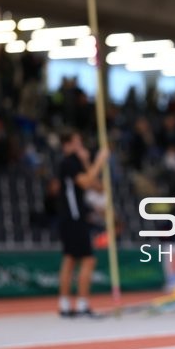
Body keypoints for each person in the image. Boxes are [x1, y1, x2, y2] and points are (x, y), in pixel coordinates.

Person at [57, 130, 109, 318]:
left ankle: (66, 304)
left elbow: (98, 186)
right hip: (73, 217)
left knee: (70, 260)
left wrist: (88, 162)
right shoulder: (69, 163)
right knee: (86, 259)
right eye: (77, 142)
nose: (81, 147)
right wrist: (99, 161)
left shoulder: (75, 163)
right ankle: (81, 304)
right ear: (68, 144)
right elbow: (87, 183)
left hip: (73, 216)